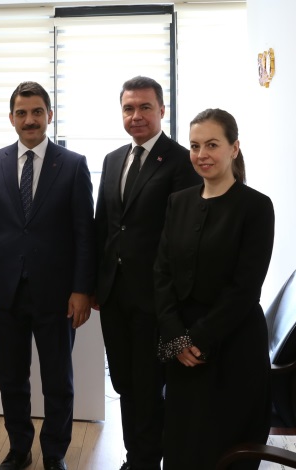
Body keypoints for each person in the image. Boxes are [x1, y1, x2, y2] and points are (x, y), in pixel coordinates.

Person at [0, 81, 95, 470]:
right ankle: (19, 448)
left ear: (49, 115)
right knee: (11, 377)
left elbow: (84, 233)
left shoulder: (73, 164)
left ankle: (54, 453)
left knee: (58, 380)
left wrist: (82, 289)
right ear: (11, 118)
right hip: (4, 291)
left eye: (37, 112)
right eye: (22, 113)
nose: (29, 120)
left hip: (57, 295)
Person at [154, 108, 274, 470]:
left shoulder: (257, 207)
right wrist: (177, 338)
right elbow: (162, 273)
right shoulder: (178, 201)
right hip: (182, 351)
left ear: (234, 148)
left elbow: (245, 289)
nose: (201, 154)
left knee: (223, 451)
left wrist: (198, 339)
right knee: (182, 446)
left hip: (234, 348)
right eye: (194, 146)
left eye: (212, 145)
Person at [94, 76, 200, 470]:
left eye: (145, 107)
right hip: (114, 294)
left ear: (162, 110)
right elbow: (103, 227)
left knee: (150, 385)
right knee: (124, 382)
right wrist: (94, 285)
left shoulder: (181, 161)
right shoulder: (113, 159)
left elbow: (185, 237)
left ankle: (147, 461)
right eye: (128, 108)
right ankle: (135, 456)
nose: (136, 115)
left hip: (157, 299)